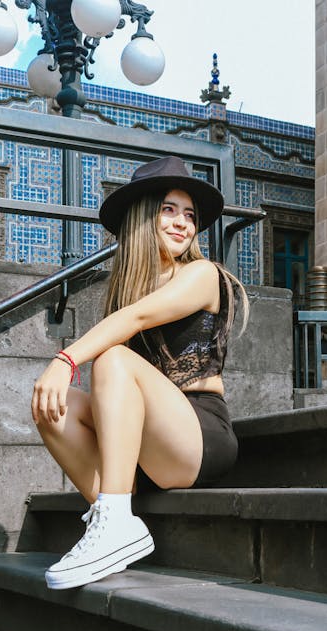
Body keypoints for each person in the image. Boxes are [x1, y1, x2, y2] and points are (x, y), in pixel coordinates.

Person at [31, 155, 248, 590]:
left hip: (199, 435)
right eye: (169, 209)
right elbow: (128, 318)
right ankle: (113, 518)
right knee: (53, 405)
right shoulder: (127, 290)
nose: (183, 223)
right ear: (142, 217)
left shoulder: (203, 274)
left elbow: (135, 320)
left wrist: (65, 359)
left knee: (111, 357)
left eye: (190, 215)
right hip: (148, 444)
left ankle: (113, 521)